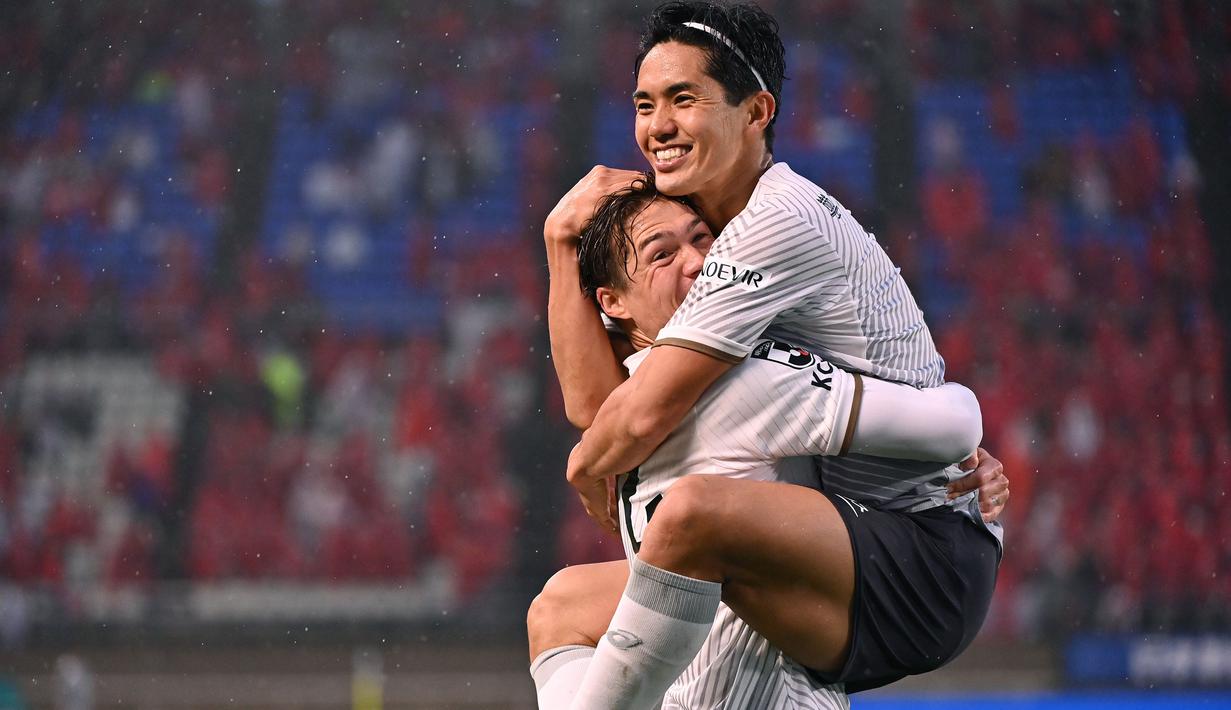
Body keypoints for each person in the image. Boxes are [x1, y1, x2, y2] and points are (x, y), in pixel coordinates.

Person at [536, 0, 1007, 707]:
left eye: (682, 99)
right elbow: (601, 408)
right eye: (643, 103)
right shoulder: (694, 228)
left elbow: (630, 421)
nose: (656, 126)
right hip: (831, 521)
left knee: (691, 516)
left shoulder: (770, 225)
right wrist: (557, 243)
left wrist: (582, 462)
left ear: (755, 112)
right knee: (563, 604)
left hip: (916, 551)